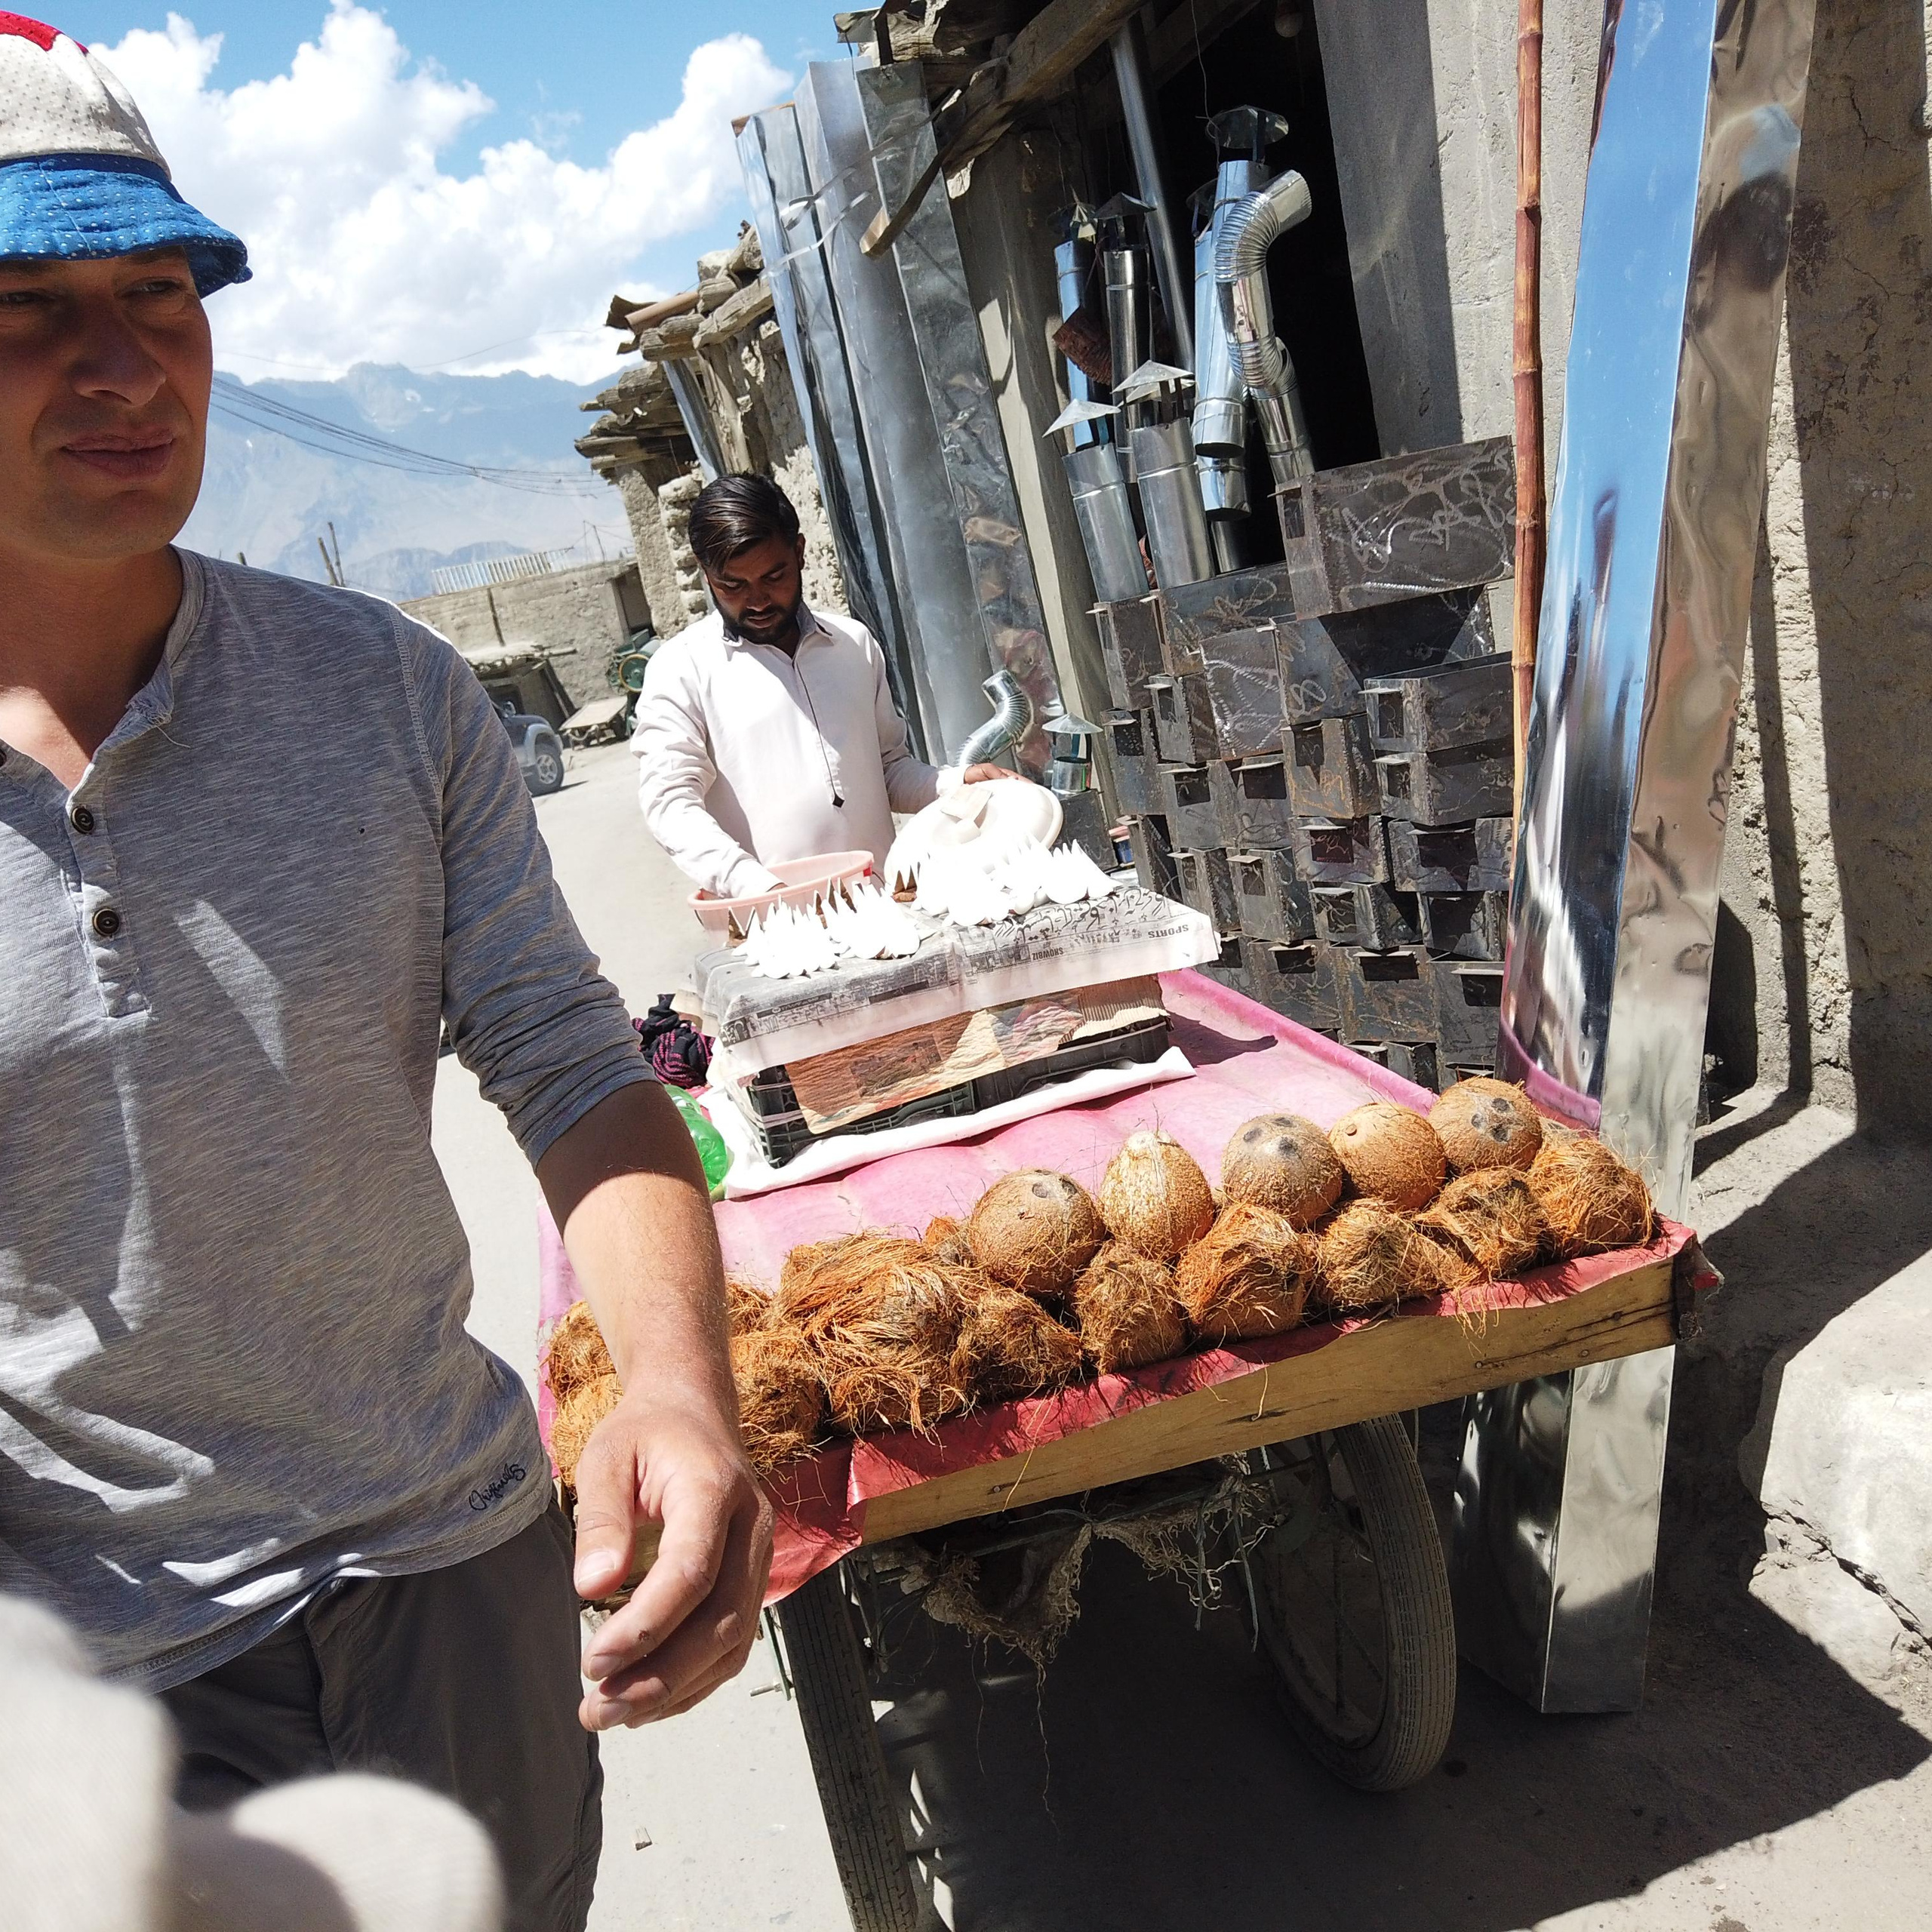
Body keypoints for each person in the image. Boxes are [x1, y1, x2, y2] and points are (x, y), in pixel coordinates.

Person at [0, 21, 768, 1932]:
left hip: (458, 1582)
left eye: (158, 289)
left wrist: (680, 1391)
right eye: (24, 307)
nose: (121, 361)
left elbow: (569, 1060)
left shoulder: (385, 693)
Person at [633, 472, 1019, 898]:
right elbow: (669, 804)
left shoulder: (853, 645)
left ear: (799, 552)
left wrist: (957, 782)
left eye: (774, 577)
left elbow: (887, 770)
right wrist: (759, 888)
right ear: (707, 576)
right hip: (776, 931)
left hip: (888, 910)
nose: (758, 600)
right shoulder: (682, 668)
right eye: (733, 585)